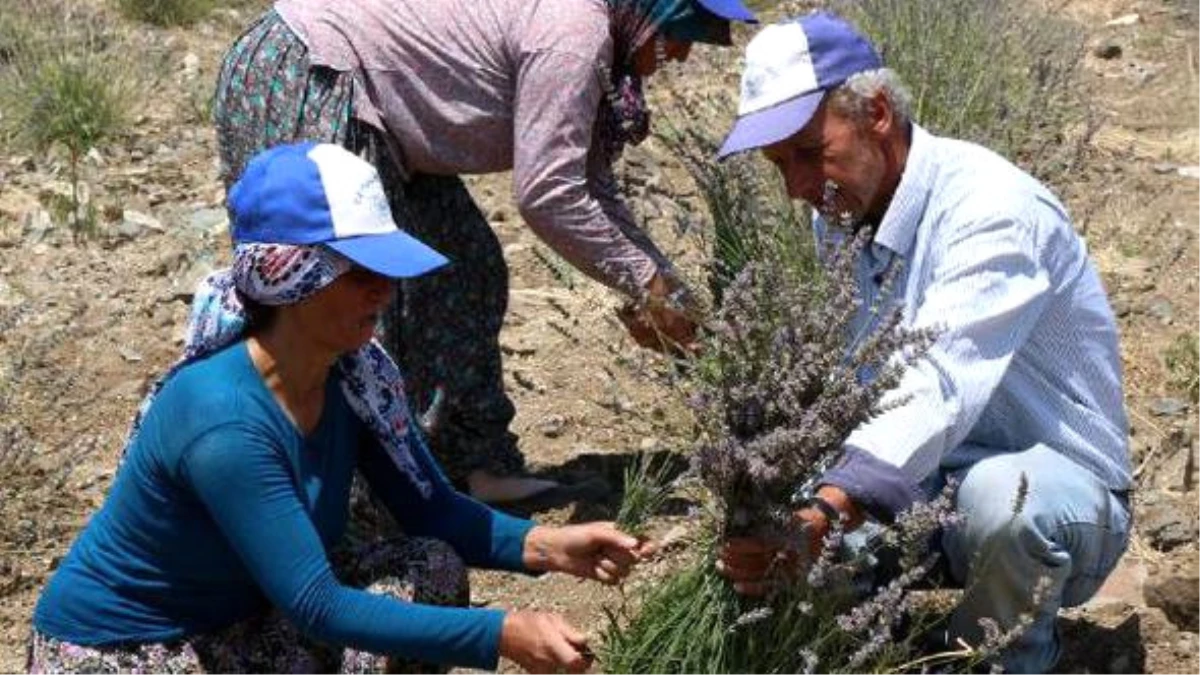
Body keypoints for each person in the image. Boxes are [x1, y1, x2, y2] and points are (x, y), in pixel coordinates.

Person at [28, 143, 651, 674]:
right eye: (360, 272)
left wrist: (547, 545)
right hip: (128, 650)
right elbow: (315, 604)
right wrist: (501, 634)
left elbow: (430, 511)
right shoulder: (223, 419)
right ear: (289, 279)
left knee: (426, 566)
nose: (385, 289)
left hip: (235, 617)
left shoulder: (352, 378)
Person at [712, 12, 1133, 674]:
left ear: (876, 112)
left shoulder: (991, 211)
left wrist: (828, 505)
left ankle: (1004, 657)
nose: (796, 188)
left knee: (1005, 496)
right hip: (928, 489)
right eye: (778, 165)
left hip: (1059, 497)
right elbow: (866, 383)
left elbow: (935, 381)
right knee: (784, 543)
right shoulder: (849, 209)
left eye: (807, 153)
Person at [212, 0, 758, 504]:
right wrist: (647, 284)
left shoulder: (595, 33)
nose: (683, 54)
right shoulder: (574, 35)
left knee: (465, 269)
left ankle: (468, 465)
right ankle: (325, 496)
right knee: (334, 295)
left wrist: (665, 288)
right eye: (680, 35)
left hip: (393, 124)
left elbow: (591, 185)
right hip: (315, 69)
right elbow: (548, 194)